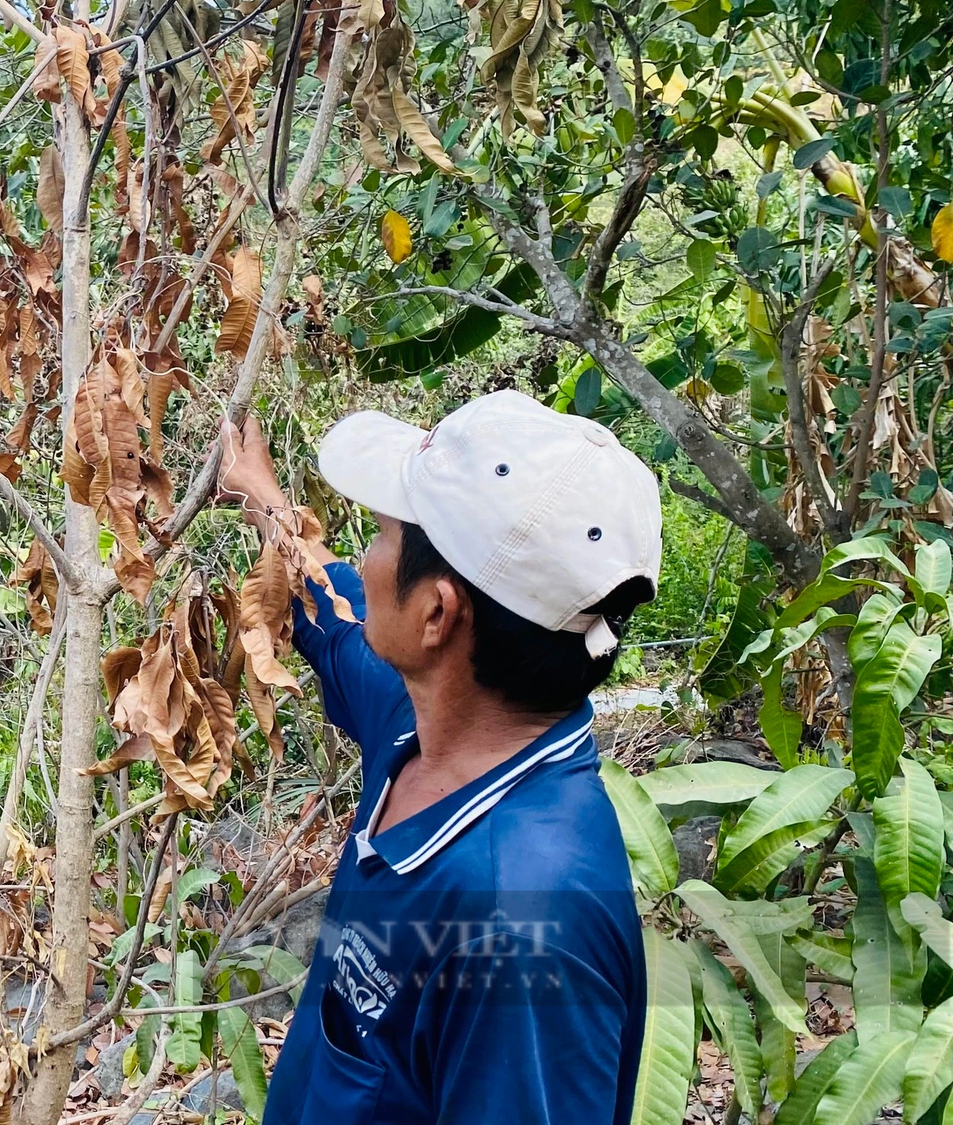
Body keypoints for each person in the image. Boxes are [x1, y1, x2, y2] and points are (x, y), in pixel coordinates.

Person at [215, 390, 656, 1125]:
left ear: (436, 614)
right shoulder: (425, 721)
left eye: (383, 535)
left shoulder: (524, 928)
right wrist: (261, 497)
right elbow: (336, 601)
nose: (365, 555)